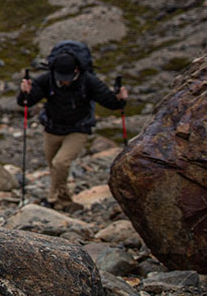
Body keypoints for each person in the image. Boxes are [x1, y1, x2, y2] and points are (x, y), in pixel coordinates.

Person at [17, 47, 128, 211]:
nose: (65, 81)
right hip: (52, 129)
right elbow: (26, 102)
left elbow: (111, 103)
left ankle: (57, 199)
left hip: (78, 129)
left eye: (67, 78)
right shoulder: (47, 79)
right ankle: (59, 199)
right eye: (61, 78)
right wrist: (24, 93)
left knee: (60, 163)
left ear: (76, 70)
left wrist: (120, 99)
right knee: (54, 166)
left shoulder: (88, 81)